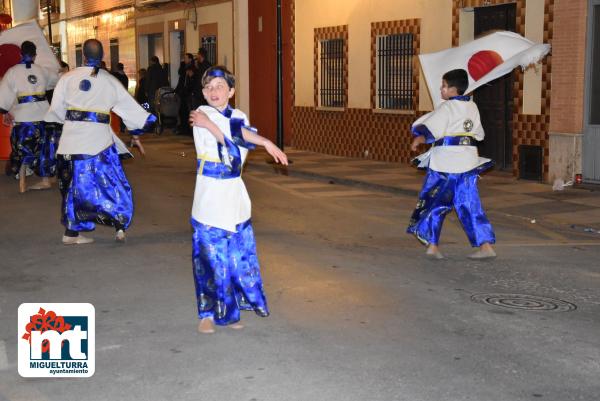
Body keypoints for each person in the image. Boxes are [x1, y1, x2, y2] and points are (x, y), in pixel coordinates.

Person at [188, 66, 287, 334]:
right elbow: (230, 144)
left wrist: (266, 142)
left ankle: (229, 311)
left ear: (231, 91)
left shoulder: (238, 115)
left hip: (234, 196)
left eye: (219, 85)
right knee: (209, 257)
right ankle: (207, 314)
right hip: (209, 196)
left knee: (235, 256)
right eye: (208, 87)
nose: (213, 91)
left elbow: (240, 134)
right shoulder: (201, 114)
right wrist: (209, 125)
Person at [45, 39, 156, 245]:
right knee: (112, 183)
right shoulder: (109, 80)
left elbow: (57, 112)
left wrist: (72, 124)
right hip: (99, 143)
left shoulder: (67, 78)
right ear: (102, 55)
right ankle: (119, 226)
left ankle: (71, 233)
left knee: (73, 187)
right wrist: (137, 132)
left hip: (70, 143)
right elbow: (128, 108)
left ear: (83, 56)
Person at [407, 69, 496, 260]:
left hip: (445, 165)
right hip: (467, 163)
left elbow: (433, 130)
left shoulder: (446, 108)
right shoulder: (472, 107)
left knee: (436, 203)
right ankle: (486, 246)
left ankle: (432, 246)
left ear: (453, 89)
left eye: (444, 85)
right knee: (470, 205)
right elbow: (479, 134)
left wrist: (419, 138)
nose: (441, 88)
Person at [0, 40, 59, 192]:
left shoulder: (12, 71)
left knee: (22, 149)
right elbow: (56, 80)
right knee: (44, 148)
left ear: (21, 54)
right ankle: (45, 180)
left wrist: (5, 111)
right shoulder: (42, 70)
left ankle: (22, 184)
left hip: (23, 118)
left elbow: (4, 95)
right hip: (43, 115)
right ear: (35, 55)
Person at [175, 53, 197, 135]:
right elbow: (180, 74)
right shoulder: (184, 67)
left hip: (188, 93)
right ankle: (183, 128)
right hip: (183, 92)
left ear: (190, 59)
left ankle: (187, 130)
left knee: (186, 111)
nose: (184, 59)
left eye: (186, 58)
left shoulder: (193, 68)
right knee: (182, 111)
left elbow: (191, 80)